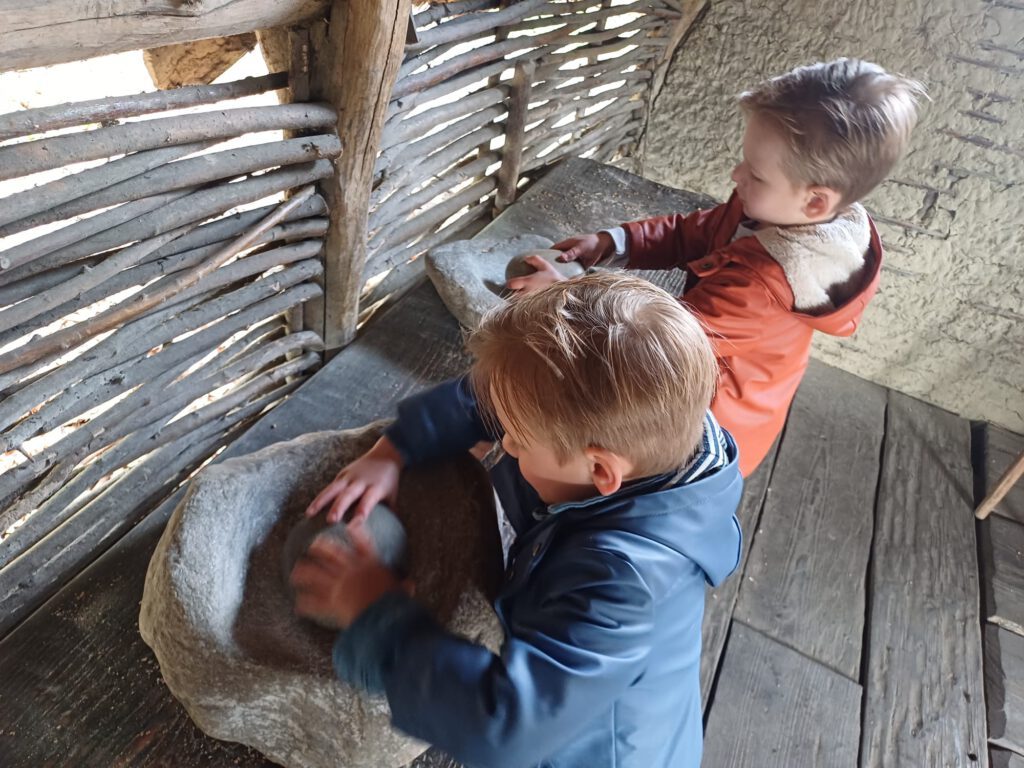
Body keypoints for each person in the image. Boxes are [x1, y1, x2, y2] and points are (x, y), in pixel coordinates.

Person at [292, 273, 743, 768]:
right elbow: (497, 395)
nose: (503, 443)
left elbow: (504, 728)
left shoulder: (620, 586)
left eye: (518, 441)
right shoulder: (650, 432)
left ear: (599, 470)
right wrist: (396, 448)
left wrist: (374, 611)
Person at [508, 58, 925, 476]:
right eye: (745, 162)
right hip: (705, 366)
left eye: (755, 174)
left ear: (816, 201)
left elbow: (652, 343)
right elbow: (696, 231)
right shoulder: (781, 211)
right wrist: (614, 243)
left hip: (709, 426)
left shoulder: (763, 287)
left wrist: (562, 295)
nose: (736, 174)